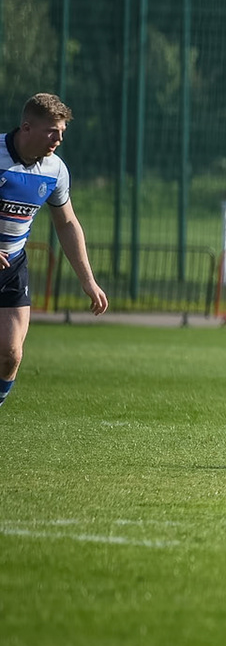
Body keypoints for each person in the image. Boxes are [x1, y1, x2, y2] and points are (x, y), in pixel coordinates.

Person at [2, 94, 110, 409]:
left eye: (62, 132)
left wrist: (88, 280)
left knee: (11, 354)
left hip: (12, 267)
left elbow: (67, 224)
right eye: (52, 131)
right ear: (26, 127)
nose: (59, 139)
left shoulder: (55, 170)